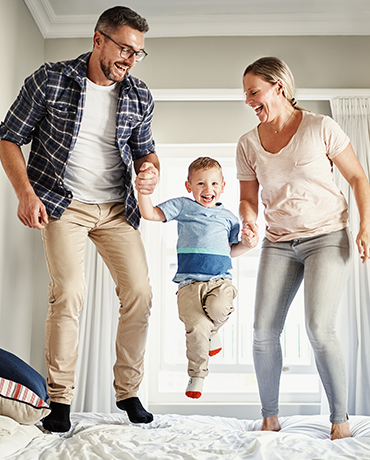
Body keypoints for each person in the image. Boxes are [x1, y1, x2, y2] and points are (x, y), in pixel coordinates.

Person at [0, 6, 160, 431]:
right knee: (68, 292)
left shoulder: (139, 94)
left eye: (138, 52)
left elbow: (146, 150)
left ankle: (127, 392)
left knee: (141, 294)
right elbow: (8, 137)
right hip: (61, 204)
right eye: (124, 48)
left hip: (115, 208)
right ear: (98, 40)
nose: (130, 58)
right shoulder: (49, 79)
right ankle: (60, 402)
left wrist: (150, 169)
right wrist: (25, 192)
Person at [236, 56, 370, 440]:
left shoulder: (320, 127)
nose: (248, 100)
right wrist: (249, 219)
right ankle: (270, 417)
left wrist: (366, 226)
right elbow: (248, 197)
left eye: (253, 92)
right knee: (263, 330)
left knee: (318, 328)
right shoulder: (248, 143)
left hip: (327, 236)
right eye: (245, 94)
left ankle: (340, 420)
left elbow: (358, 177)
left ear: (279, 87)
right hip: (278, 242)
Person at [136, 157, 256, 398]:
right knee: (197, 328)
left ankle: (214, 332)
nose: (207, 189)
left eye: (213, 183)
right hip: (189, 283)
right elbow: (149, 213)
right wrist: (143, 191)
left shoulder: (229, 218)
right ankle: (197, 375)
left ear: (223, 187)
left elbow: (232, 251)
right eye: (200, 183)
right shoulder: (182, 207)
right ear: (188, 186)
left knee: (220, 307)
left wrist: (247, 244)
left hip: (220, 281)